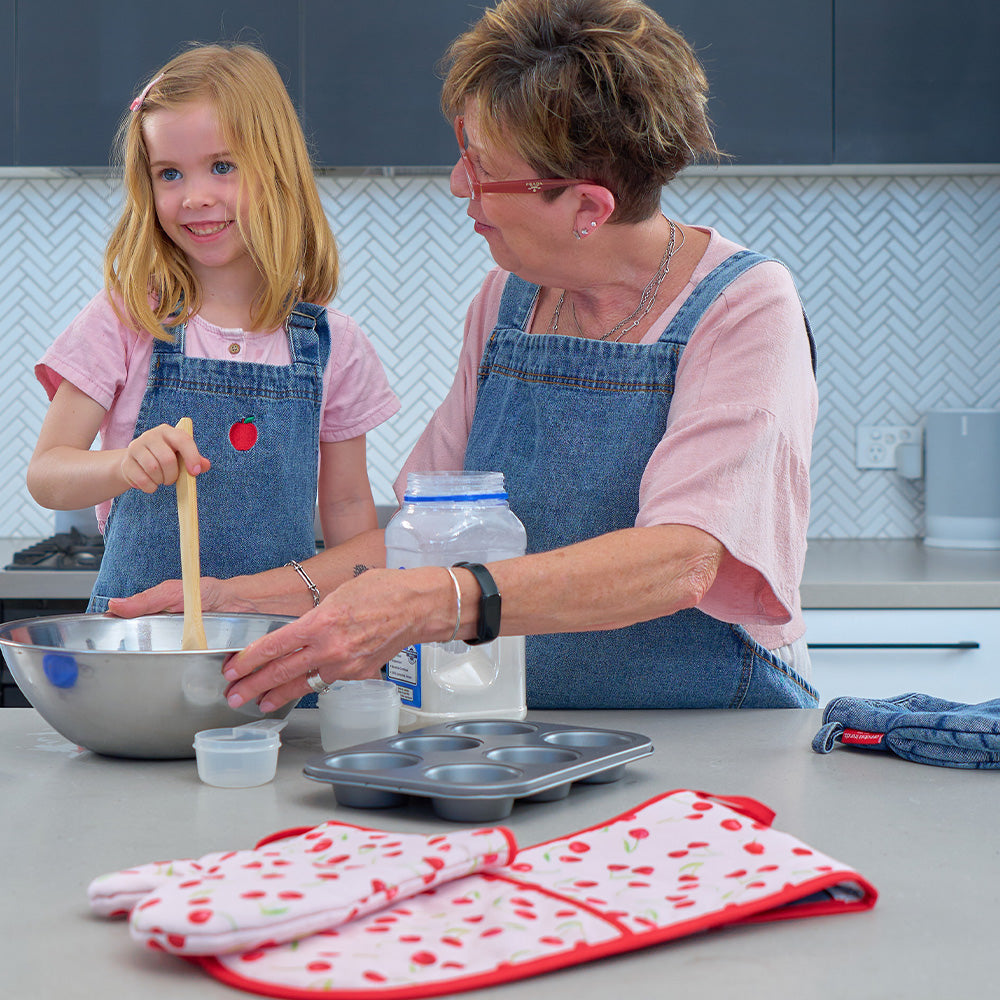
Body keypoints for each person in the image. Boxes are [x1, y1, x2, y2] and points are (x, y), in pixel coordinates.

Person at [111, 0, 819, 714]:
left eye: (482, 169)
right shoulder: (506, 302)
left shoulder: (743, 308)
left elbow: (682, 560)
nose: (457, 184)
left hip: (713, 740)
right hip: (523, 732)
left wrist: (437, 601)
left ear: (588, 207)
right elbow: (420, 541)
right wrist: (224, 603)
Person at [27, 45, 400, 627]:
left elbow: (349, 507)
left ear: (277, 169)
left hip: (284, 645)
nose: (195, 195)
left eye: (222, 166)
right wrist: (124, 464)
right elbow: (48, 476)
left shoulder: (335, 346)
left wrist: (361, 626)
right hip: (140, 649)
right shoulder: (126, 319)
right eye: (169, 174)